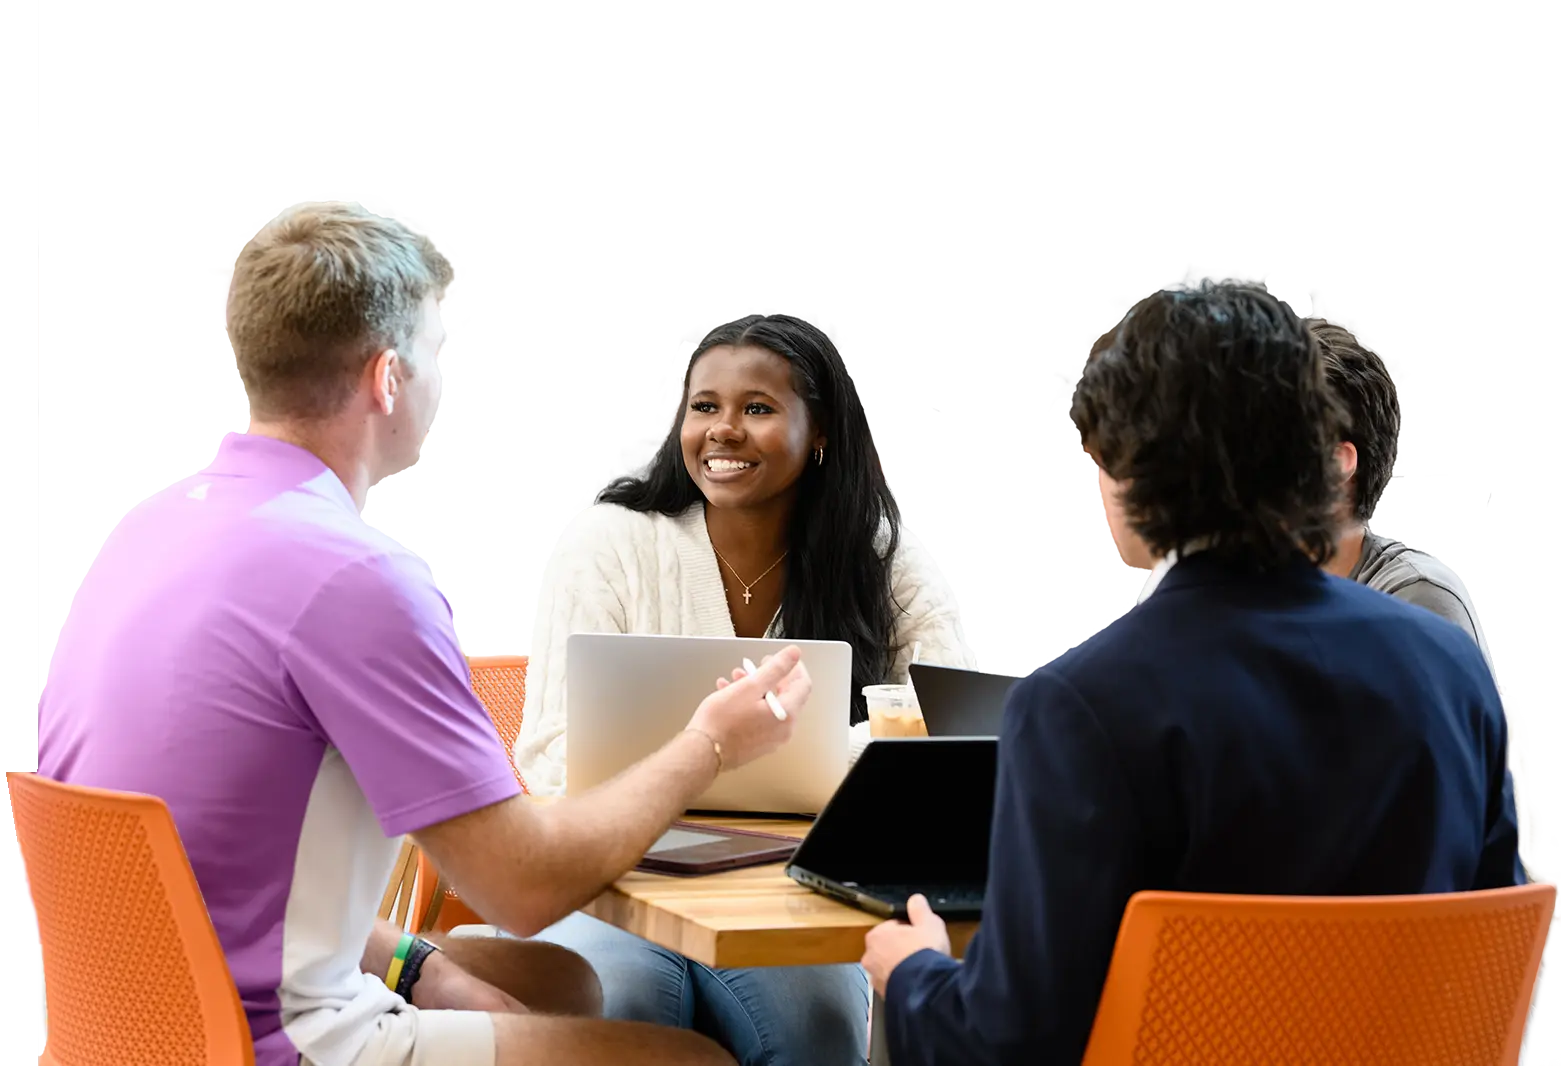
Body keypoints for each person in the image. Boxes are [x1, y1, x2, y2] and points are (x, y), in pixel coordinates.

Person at [36, 192, 816, 1066]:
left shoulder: (148, 531)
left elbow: (219, 869)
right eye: (439, 352)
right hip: (274, 1045)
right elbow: (526, 885)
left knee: (566, 986)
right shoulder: (355, 579)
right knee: (695, 1062)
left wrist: (415, 965)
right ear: (388, 377)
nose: (444, 378)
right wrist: (708, 743)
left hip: (137, 1026)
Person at [860, 287, 1521, 1065]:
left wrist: (912, 974)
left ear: (1128, 473)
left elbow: (1013, 1043)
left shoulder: (1082, 704)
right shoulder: (1444, 665)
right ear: (1313, 462)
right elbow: (1492, 947)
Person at [511, 306, 973, 1065]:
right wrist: (736, 755)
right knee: (630, 1006)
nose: (722, 431)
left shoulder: (880, 555)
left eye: (757, 408)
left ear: (819, 431)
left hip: (783, 893)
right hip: (613, 878)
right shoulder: (607, 544)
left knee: (819, 1030)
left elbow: (938, 726)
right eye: (704, 407)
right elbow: (556, 756)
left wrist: (752, 758)